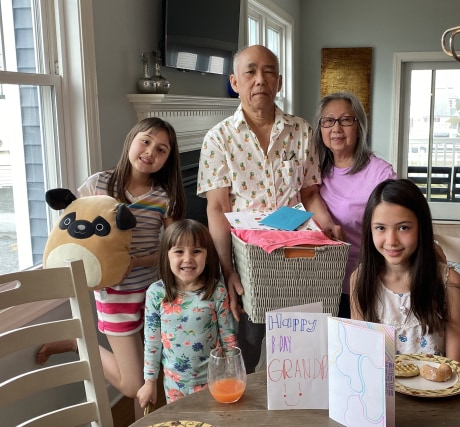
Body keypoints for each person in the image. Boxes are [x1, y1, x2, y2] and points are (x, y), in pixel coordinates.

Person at [197, 45, 338, 373]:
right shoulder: (218, 139)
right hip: (250, 262)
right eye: (250, 71)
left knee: (300, 343)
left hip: (297, 254)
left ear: (279, 81)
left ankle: (297, 409)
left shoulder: (302, 131)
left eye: (269, 71)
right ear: (235, 81)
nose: (260, 79)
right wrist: (227, 269)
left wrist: (327, 224)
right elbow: (217, 208)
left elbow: (310, 193)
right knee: (249, 340)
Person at [37, 117, 186, 416]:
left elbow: (171, 247)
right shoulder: (98, 184)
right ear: (131, 140)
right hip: (115, 295)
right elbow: (74, 231)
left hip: (153, 291)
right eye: (145, 141)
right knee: (133, 385)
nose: (150, 152)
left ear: (168, 159)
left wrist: (139, 263)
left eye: (161, 150)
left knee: (150, 375)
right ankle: (79, 345)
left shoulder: (163, 197)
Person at [350, 179, 460, 364]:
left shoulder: (448, 281)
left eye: (403, 227)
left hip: (435, 390)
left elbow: (456, 366)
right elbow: (360, 351)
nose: (391, 240)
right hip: (382, 389)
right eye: (380, 228)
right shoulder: (360, 279)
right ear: (369, 230)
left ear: (421, 228)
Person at [313, 92, 397, 319]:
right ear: (320, 129)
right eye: (328, 121)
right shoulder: (315, 171)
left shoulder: (380, 173)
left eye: (346, 120)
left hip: (366, 284)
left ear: (359, 126)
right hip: (320, 282)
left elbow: (400, 222)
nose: (336, 128)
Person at [136, 219, 236, 406]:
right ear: (167, 255)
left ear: (207, 256)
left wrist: (234, 373)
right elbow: (152, 342)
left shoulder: (217, 291)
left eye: (196, 251)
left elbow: (228, 337)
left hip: (213, 380)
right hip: (174, 385)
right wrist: (149, 383)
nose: (188, 258)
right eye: (179, 251)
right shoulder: (156, 293)